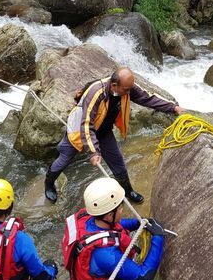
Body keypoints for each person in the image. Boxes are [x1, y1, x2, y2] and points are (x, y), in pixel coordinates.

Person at [44, 67, 184, 204]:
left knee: (117, 161)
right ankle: (49, 183)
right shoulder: (96, 93)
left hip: (104, 130)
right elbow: (86, 125)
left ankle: (128, 191)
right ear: (114, 85)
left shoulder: (125, 88)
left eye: (130, 89)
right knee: (65, 159)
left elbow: (147, 98)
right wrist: (94, 152)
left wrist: (173, 108)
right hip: (79, 129)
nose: (129, 93)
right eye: (126, 90)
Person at [62, 177, 166, 280]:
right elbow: (144, 276)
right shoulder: (104, 254)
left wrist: (138, 223)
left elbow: (115, 226)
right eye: (121, 207)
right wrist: (158, 237)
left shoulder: (88, 219)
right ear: (110, 215)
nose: (122, 210)